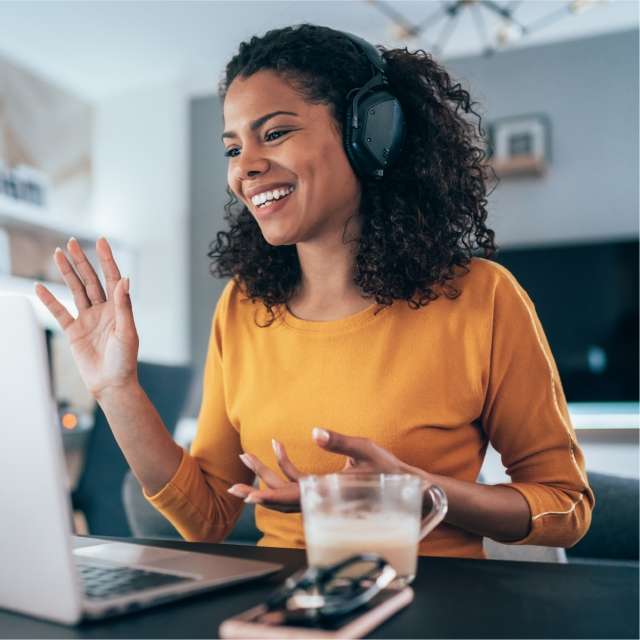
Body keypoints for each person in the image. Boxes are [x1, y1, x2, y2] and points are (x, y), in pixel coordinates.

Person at [36, 24, 593, 559]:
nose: (246, 168)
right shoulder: (244, 306)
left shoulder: (482, 298)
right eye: (233, 149)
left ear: (371, 134)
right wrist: (117, 390)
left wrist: (419, 490)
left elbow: (566, 508)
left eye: (274, 133)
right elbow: (207, 517)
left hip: (432, 602)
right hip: (284, 609)